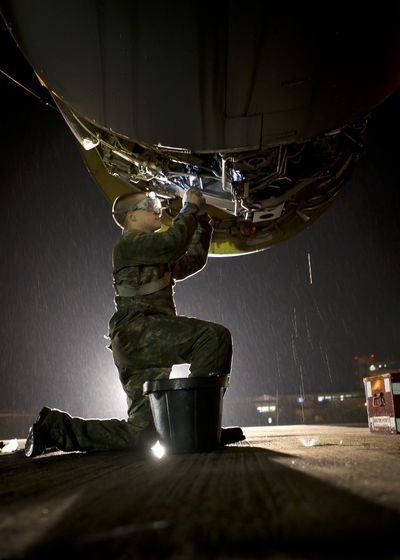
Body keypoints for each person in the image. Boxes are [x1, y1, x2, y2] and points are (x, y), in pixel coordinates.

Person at [25, 187, 244, 457]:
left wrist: (200, 219)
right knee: (213, 338)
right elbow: (173, 244)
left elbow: (193, 260)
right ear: (131, 217)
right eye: (149, 204)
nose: (157, 208)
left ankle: (55, 429)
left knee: (140, 434)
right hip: (139, 331)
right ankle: (198, 429)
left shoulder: (150, 253)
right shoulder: (130, 243)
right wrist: (188, 208)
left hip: (136, 341)